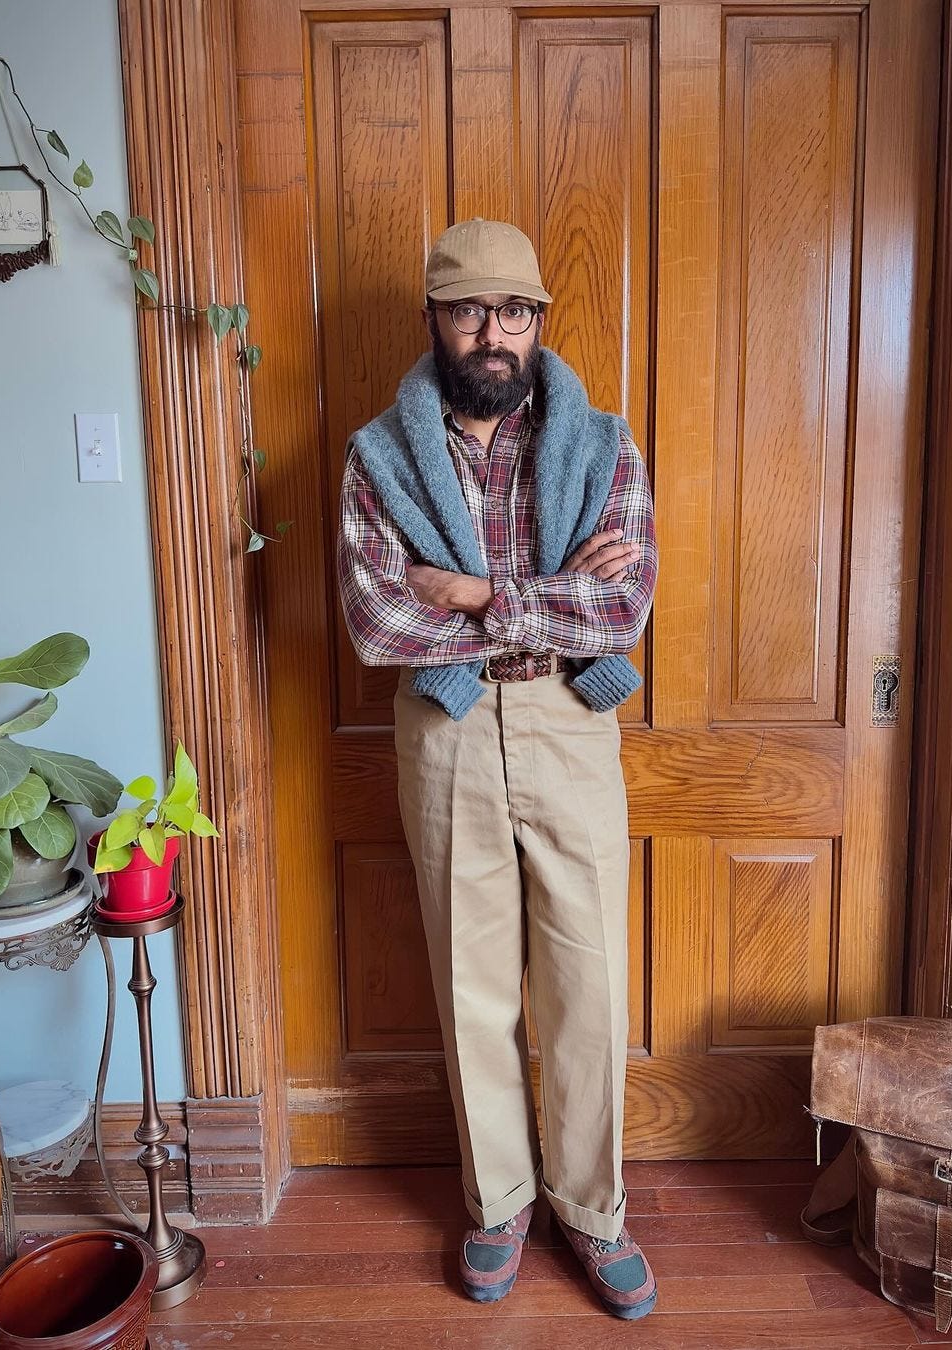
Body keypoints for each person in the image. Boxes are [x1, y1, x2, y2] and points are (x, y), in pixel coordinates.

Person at [337, 219, 659, 1320]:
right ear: (433, 318)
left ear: (538, 322)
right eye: (470, 309)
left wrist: (474, 595)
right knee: (470, 983)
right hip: (449, 732)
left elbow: (622, 607)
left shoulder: (605, 444)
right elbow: (379, 621)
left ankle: (593, 1209)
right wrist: (549, 596)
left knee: (588, 979)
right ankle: (499, 1201)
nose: (493, 333)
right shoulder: (378, 455)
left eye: (514, 311)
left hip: (572, 720)